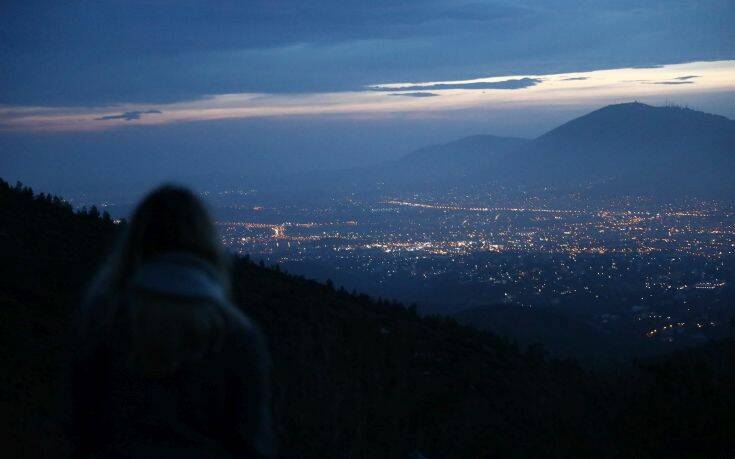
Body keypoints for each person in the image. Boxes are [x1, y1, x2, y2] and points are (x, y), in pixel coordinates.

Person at [69, 185, 275, 458]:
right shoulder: (236, 333)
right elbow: (251, 440)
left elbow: (79, 425)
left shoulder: (103, 320)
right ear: (207, 241)